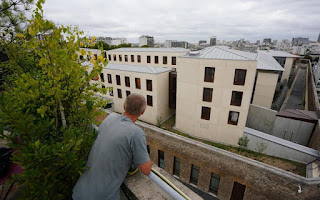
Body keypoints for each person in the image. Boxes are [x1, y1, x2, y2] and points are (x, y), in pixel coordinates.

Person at [72, 93, 152, 200]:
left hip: (79, 192)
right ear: (142, 112)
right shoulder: (136, 133)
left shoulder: (110, 117)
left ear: (124, 106)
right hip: (102, 196)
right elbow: (146, 170)